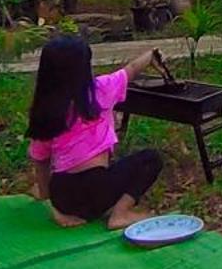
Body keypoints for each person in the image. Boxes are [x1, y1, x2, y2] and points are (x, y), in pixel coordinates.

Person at [26, 33, 164, 230]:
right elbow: (131, 70)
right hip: (98, 190)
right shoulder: (101, 89)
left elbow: (40, 160)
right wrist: (151, 56)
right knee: (151, 159)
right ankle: (120, 214)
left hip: (64, 197)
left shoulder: (45, 109)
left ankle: (90, 209)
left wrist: (52, 205)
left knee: (96, 172)